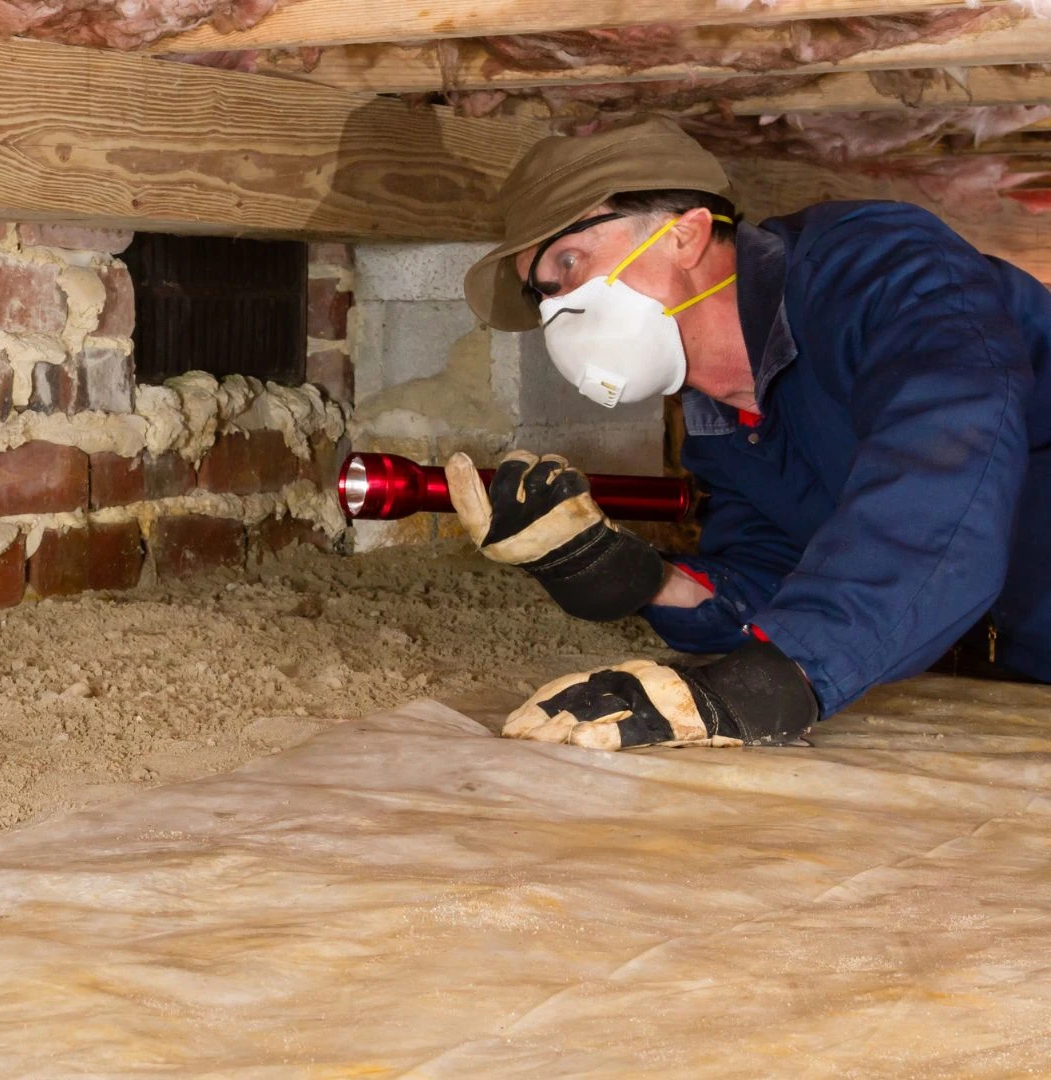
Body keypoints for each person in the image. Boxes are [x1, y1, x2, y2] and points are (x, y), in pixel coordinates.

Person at [446, 115, 1049, 752]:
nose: (557, 310)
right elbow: (782, 577)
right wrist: (638, 578)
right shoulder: (723, 432)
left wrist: (771, 684)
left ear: (687, 233)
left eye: (568, 264)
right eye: (542, 294)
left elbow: (946, 464)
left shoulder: (878, 271)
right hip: (1018, 684)